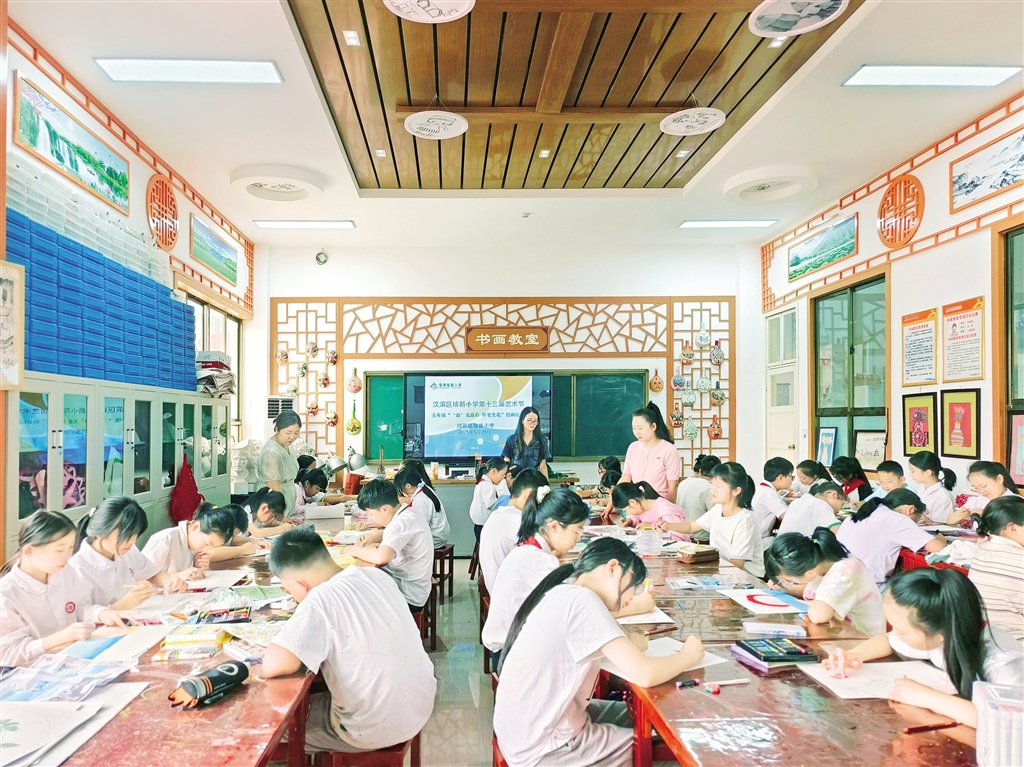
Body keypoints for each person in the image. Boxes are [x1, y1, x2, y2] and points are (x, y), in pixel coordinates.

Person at [493, 537, 704, 767]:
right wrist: (688, 656)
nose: (631, 597)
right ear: (613, 568)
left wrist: (629, 641)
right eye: (633, 585)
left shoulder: (563, 592)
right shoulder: (583, 600)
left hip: (524, 732)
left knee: (640, 714)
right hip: (545, 750)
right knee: (665, 750)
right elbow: (645, 673)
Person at [263, 527, 435, 755]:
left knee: (270, 729)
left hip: (371, 727)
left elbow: (274, 665)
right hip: (418, 705)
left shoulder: (319, 600)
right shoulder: (376, 576)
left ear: (299, 584)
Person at [823, 568, 1024, 728]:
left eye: (901, 631)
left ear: (941, 634)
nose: (896, 634)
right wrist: (854, 655)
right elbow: (888, 640)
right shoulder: (941, 631)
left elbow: (1010, 720)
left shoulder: (1001, 662)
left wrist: (928, 698)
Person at [484, 488, 655, 665]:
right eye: (577, 531)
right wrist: (635, 607)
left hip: (510, 648)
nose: (579, 538)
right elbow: (578, 614)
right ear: (554, 527)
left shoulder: (530, 552)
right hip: (512, 655)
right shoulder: (540, 562)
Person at [1, 511, 133, 667]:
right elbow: (8, 653)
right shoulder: (6, 593)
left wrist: (102, 613)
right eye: (59, 550)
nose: (67, 556)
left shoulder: (65, 571)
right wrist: (60, 638)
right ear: (29, 551)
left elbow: (80, 607)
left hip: (73, 658)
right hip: (32, 670)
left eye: (71, 548)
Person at [68, 496, 188, 610]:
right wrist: (123, 605)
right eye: (125, 536)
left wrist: (170, 582)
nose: (132, 541)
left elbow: (153, 574)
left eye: (135, 535)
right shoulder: (77, 567)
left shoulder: (127, 550)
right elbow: (80, 616)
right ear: (100, 532)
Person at [765, 528, 885, 636]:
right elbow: (814, 590)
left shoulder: (844, 572)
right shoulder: (818, 560)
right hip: (838, 633)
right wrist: (784, 587)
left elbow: (818, 616)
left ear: (809, 573)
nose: (788, 583)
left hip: (862, 640)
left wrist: (805, 602)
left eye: (789, 581)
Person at [654, 462, 765, 577]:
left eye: (719, 487)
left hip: (747, 578)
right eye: (711, 484)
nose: (713, 490)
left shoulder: (745, 521)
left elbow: (736, 566)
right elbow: (691, 527)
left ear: (736, 491)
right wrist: (668, 526)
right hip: (724, 572)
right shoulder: (717, 509)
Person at [344, 479, 433, 613]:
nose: (371, 519)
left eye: (371, 514)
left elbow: (381, 557)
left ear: (384, 509)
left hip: (407, 595)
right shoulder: (408, 513)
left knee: (351, 592)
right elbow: (401, 535)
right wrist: (375, 537)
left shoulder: (399, 523)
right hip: (414, 587)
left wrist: (354, 550)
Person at [835, 489, 946, 586]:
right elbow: (938, 547)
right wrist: (939, 536)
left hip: (837, 578)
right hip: (864, 585)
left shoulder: (866, 512)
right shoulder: (898, 519)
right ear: (910, 509)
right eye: (917, 519)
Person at [479, 468, 549, 592]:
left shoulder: (498, 514)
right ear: (527, 495)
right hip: (512, 594)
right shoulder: (518, 521)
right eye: (539, 502)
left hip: (497, 590)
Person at [969, 495, 1024, 640]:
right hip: (1017, 643)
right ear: (1013, 528)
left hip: (989, 638)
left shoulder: (984, 548)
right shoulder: (1018, 560)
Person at [141, 503, 237, 580]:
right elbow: (141, 578)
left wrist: (196, 565)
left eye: (213, 547)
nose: (206, 549)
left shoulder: (192, 544)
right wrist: (178, 575)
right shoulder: (165, 539)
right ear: (196, 527)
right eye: (207, 543)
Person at [619, 403, 679, 507]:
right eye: (634, 428)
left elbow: (672, 487)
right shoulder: (633, 448)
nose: (637, 432)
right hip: (637, 506)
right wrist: (611, 503)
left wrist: (669, 510)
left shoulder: (669, 450)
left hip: (660, 506)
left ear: (653, 426)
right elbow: (625, 478)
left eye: (640, 428)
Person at [257, 410, 302, 518]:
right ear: (277, 429)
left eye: (296, 433)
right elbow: (274, 490)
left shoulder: (288, 445)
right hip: (274, 509)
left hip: (287, 507)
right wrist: (279, 517)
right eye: (288, 433)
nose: (292, 437)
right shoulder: (271, 452)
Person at [393, 466, 450, 548]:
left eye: (401, 488)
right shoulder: (424, 488)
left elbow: (420, 527)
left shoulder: (421, 500)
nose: (401, 491)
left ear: (408, 486)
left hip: (435, 539)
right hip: (439, 535)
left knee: (399, 543)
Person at [612, 481, 687, 535]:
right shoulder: (642, 508)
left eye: (625, 510)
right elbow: (637, 517)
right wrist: (630, 521)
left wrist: (651, 526)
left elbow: (679, 534)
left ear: (632, 502)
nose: (627, 513)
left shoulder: (664, 508)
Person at [205, 504, 273, 562]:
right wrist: (243, 550)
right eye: (229, 535)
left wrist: (252, 541)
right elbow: (207, 555)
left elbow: (231, 540)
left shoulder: (221, 530)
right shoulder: (208, 530)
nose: (226, 540)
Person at [752, 457, 794, 549]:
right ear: (781, 477)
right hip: (760, 541)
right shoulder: (770, 494)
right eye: (791, 477)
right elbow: (787, 518)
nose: (792, 481)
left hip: (753, 537)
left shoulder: (760, 489)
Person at [678, 454, 720, 543]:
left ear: (700, 471)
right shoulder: (709, 487)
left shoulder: (683, 484)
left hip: (680, 535)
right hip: (701, 540)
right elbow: (716, 515)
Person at [908, 451, 958, 524]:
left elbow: (943, 525)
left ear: (928, 473)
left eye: (913, 471)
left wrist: (920, 515)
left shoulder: (943, 497)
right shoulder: (922, 490)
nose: (910, 475)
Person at [777, 482, 843, 536]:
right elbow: (840, 534)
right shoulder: (820, 504)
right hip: (796, 547)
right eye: (841, 504)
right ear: (834, 495)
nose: (839, 510)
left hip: (782, 545)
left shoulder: (797, 501)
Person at [501, 406, 551, 478]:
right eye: (529, 420)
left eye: (535, 421)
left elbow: (543, 466)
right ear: (522, 421)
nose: (532, 423)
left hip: (533, 480)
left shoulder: (542, 441)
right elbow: (506, 461)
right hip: (515, 479)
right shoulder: (511, 439)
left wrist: (546, 483)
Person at [470, 457, 509, 540]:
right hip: (483, 526)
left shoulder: (484, 483)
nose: (503, 478)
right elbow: (492, 506)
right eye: (502, 475)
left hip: (479, 525)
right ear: (494, 471)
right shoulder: (487, 485)